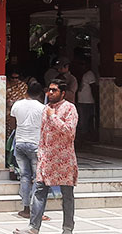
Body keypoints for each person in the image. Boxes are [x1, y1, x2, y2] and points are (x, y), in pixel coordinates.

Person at [14, 78, 78, 234]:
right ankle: (33, 227)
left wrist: (53, 116)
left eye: (54, 90)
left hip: (64, 160)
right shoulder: (45, 109)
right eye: (49, 89)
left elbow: (69, 131)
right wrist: (40, 153)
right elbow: (42, 134)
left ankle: (67, 229)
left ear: (62, 93)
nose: (50, 93)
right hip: (46, 159)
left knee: (67, 195)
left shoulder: (70, 109)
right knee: (39, 191)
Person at [10, 82, 45, 219]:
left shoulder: (17, 105)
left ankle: (26, 209)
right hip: (35, 144)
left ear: (27, 91)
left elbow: (13, 124)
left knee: (24, 176)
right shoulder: (42, 108)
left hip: (19, 143)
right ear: (39, 94)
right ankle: (36, 210)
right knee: (37, 177)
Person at [74, 55, 98, 143]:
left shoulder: (90, 74)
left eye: (83, 64)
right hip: (82, 101)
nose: (81, 66)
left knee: (86, 120)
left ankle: (86, 137)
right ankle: (83, 137)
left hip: (88, 101)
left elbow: (93, 88)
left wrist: (96, 99)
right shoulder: (83, 75)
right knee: (82, 119)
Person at [6, 66, 28, 138]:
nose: (15, 80)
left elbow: (26, 98)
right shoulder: (5, 85)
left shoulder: (23, 86)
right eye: (13, 78)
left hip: (20, 111)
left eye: (17, 78)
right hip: (8, 112)